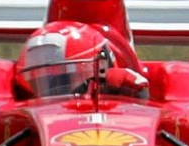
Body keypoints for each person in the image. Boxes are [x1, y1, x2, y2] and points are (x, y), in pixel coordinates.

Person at [15, 21, 148, 99]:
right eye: (40, 84)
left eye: (64, 80)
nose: (53, 93)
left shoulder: (125, 87)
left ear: (101, 70)